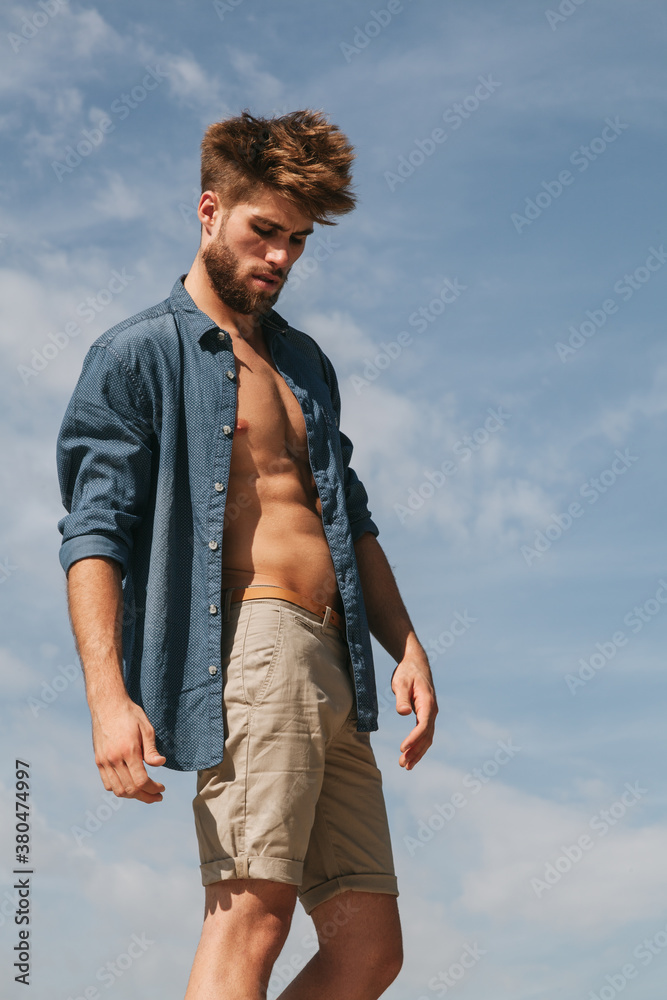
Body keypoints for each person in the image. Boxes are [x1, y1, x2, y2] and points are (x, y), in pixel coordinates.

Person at [56, 109, 438, 1000]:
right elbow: (93, 532)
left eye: (298, 242)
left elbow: (350, 513)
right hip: (254, 651)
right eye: (263, 231)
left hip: (334, 656)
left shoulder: (302, 360)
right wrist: (108, 699)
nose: (280, 258)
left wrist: (404, 643)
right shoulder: (137, 353)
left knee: (368, 947)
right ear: (207, 210)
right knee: (250, 920)